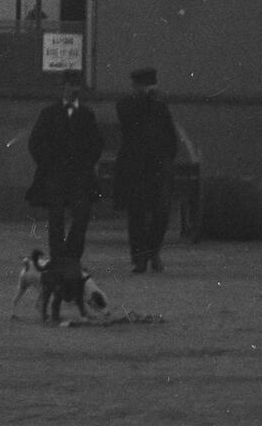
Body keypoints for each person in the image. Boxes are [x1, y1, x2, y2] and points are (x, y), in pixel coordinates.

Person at [26, 82, 107, 322]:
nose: (72, 93)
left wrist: (85, 163)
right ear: (62, 90)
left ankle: (72, 258)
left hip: (80, 177)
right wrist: (48, 163)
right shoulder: (49, 113)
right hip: (55, 176)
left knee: (81, 216)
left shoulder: (86, 115)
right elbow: (35, 143)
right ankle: (59, 257)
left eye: (75, 89)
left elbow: (97, 144)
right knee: (56, 217)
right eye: (68, 88)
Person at [113, 67, 179, 275]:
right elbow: (130, 120)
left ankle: (152, 251)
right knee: (138, 215)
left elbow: (169, 133)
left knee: (161, 213)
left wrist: (168, 158)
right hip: (136, 167)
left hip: (158, 167)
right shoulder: (128, 104)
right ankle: (140, 258)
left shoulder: (160, 106)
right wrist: (149, 100)